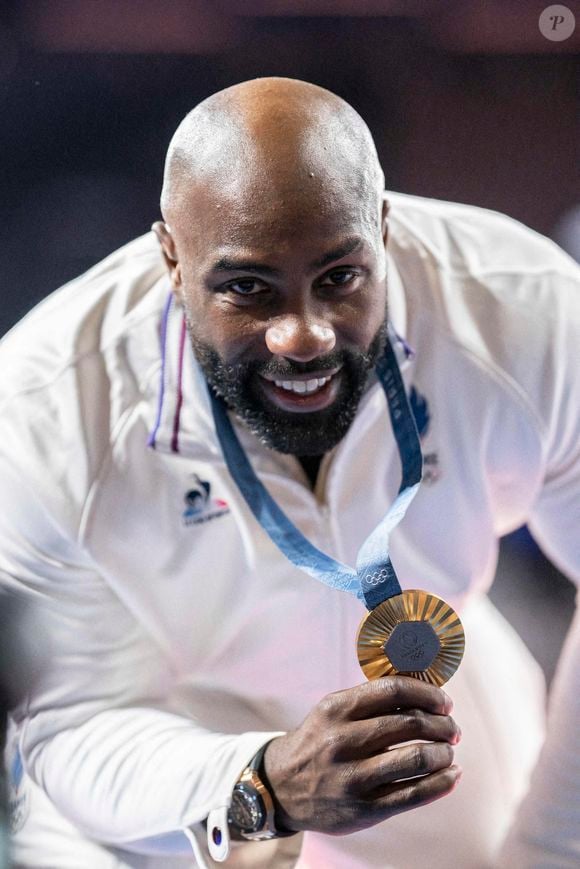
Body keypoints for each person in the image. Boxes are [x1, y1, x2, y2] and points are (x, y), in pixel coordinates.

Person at [1, 77, 579, 869]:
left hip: (426, 692)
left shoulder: (527, 311)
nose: (302, 335)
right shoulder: (46, 405)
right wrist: (260, 785)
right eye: (247, 288)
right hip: (162, 728)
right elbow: (69, 718)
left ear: (383, 228)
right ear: (171, 257)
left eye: (340, 277)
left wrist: (550, 847)